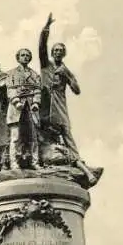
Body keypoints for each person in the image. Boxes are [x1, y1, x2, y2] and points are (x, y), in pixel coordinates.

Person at [39, 13, 97, 184]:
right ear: (52, 53)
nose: (57, 52)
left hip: (60, 108)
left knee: (67, 133)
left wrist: (69, 77)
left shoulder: (65, 70)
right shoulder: (45, 65)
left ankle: (79, 164)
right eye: (55, 50)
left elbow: (77, 90)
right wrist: (46, 28)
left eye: (60, 51)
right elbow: (41, 46)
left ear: (63, 54)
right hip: (44, 106)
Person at [6, 49, 41, 170]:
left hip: (31, 108)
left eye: (27, 55)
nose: (25, 57)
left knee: (33, 137)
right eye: (23, 55)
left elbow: (37, 90)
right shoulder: (11, 74)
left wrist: (36, 102)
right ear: (18, 57)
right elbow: (10, 90)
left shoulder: (35, 75)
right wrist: (16, 101)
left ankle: (35, 162)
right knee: (15, 137)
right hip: (16, 108)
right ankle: (13, 162)